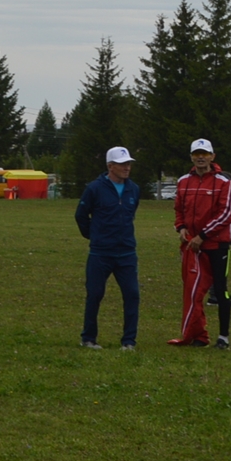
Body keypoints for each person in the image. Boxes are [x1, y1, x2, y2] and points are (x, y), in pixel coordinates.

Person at [76, 146, 142, 350]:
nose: (127, 168)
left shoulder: (134, 189)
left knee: (132, 295)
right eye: (122, 164)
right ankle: (88, 338)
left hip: (127, 253)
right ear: (110, 166)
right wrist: (95, 235)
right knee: (94, 294)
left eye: (128, 164)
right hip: (100, 253)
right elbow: (81, 215)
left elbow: (131, 213)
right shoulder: (94, 188)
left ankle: (129, 341)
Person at [171, 139, 231, 348]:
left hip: (216, 246)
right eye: (197, 153)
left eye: (204, 153)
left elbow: (226, 214)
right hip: (192, 246)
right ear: (191, 157)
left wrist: (202, 236)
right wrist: (181, 228)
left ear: (212, 157)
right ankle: (198, 335)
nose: (200, 157)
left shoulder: (223, 182)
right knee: (193, 290)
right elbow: (179, 209)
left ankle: (223, 336)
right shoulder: (183, 182)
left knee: (220, 290)